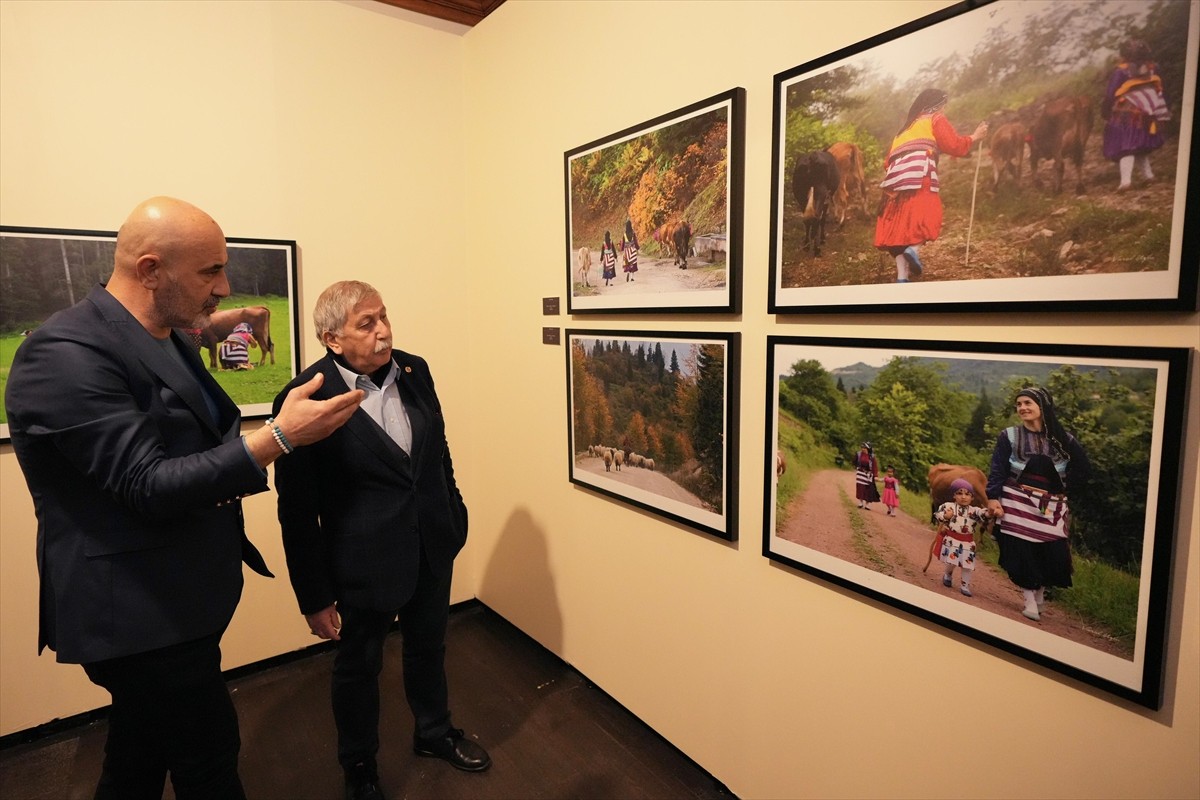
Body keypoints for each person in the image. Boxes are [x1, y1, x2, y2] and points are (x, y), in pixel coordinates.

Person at [4, 196, 364, 799]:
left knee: (138, 755)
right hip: (137, 615)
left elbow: (184, 386)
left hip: (177, 595)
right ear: (149, 270)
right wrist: (278, 437)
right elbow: (147, 483)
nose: (224, 286)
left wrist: (216, 324)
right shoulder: (62, 355)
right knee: (208, 761)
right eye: (209, 272)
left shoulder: (161, 333)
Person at [273, 280, 490, 800]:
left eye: (384, 317)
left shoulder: (415, 370)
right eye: (366, 324)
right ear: (331, 338)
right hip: (361, 565)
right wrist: (314, 595)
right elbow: (297, 510)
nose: (384, 332)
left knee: (428, 649)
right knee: (358, 668)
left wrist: (453, 512)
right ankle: (360, 766)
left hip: (432, 546)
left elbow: (437, 450)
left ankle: (434, 733)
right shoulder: (305, 397)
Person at [986, 387, 1091, 621]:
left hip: (1051, 506)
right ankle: (1029, 600)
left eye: (1028, 403)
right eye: (1019, 404)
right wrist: (993, 497)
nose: (1022, 408)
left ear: (1042, 407)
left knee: (1050, 551)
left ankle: (1040, 593)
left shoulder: (1064, 440)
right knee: (1020, 549)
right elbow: (997, 469)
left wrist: (1065, 490)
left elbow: (1083, 469)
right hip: (1016, 501)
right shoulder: (1009, 436)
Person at [874, 88, 988, 283]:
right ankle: (914, 249)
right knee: (927, 215)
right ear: (938, 105)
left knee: (899, 227)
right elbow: (953, 145)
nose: (944, 110)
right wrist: (975, 137)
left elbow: (887, 162)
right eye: (944, 105)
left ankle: (902, 277)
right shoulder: (935, 119)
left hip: (895, 182)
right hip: (920, 175)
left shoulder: (903, 130)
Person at [1102, 38, 1171, 192]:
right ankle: (1149, 176)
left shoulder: (1121, 71)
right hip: (1149, 112)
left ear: (1124, 54)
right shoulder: (1153, 68)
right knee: (1140, 144)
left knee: (1126, 145)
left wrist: (1105, 110)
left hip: (1126, 114)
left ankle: (1125, 182)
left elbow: (1110, 94)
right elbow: (1162, 91)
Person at [934, 478, 992, 598]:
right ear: (954, 495)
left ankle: (965, 585)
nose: (963, 497)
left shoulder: (974, 511)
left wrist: (989, 513)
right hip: (952, 540)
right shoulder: (948, 506)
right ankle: (948, 574)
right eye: (959, 493)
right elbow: (938, 515)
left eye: (967, 494)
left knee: (967, 565)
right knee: (952, 561)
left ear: (972, 497)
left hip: (967, 542)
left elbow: (983, 514)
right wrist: (946, 515)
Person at [853, 442, 879, 510]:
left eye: (864, 448)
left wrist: (875, 475)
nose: (863, 449)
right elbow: (854, 462)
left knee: (868, 488)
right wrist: (856, 467)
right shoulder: (859, 454)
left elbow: (874, 466)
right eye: (862, 447)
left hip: (869, 474)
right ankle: (860, 502)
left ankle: (867, 504)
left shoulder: (872, 456)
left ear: (868, 448)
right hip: (860, 473)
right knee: (860, 487)